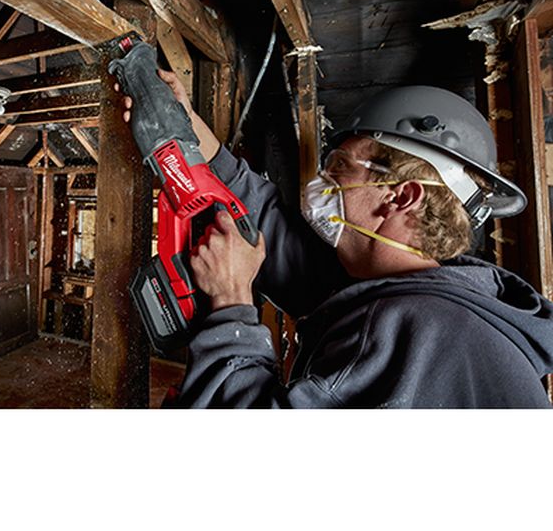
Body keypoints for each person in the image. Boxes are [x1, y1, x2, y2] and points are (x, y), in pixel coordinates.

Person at [118, 71, 553, 408]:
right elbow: (276, 233)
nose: (323, 179)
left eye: (341, 165)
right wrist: (185, 125)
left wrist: (231, 301)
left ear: (400, 196)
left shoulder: (417, 332)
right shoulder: (403, 291)